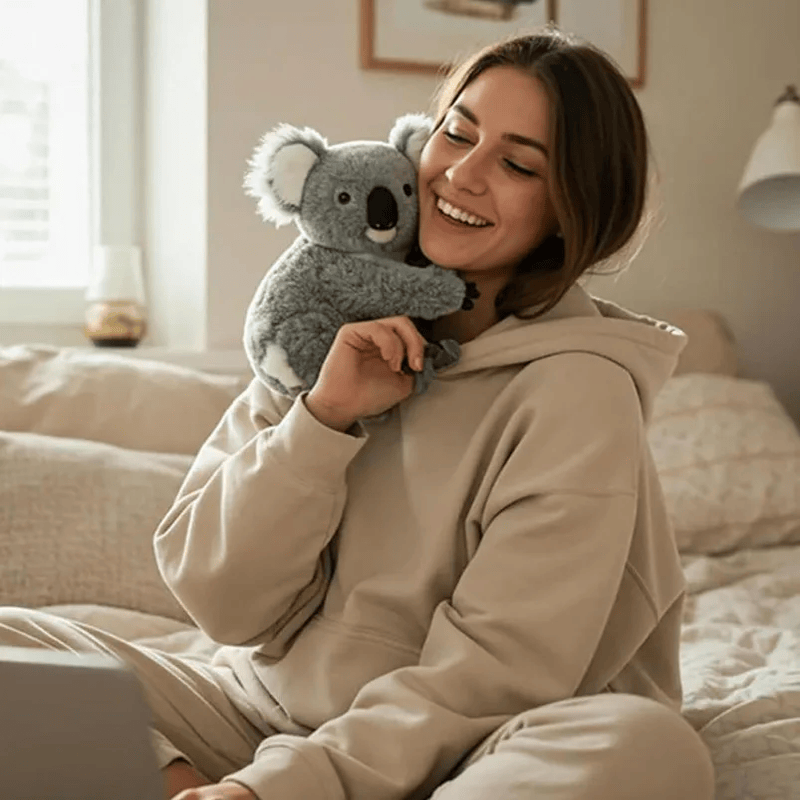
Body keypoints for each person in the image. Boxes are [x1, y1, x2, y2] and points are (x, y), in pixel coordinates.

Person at [0, 25, 715, 800]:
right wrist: (322, 420)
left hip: (462, 749)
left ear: (573, 209)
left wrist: (268, 791)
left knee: (645, 746)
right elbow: (219, 599)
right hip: (253, 713)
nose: (461, 174)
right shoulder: (321, 323)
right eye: (456, 132)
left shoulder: (579, 390)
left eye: (515, 163)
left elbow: (491, 677)